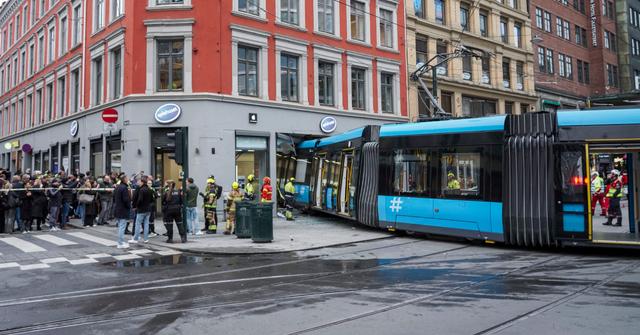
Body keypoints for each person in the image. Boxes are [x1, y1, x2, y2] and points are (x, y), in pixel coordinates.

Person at [131, 175, 154, 244]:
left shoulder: (141, 190)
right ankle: (146, 239)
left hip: (141, 209)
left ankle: (135, 238)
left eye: (140, 181)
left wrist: (136, 206)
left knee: (138, 224)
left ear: (142, 182)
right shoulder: (149, 189)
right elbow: (152, 199)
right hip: (148, 209)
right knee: (146, 224)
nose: (139, 183)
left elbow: (140, 200)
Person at [114, 175, 132, 249]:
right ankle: (120, 243)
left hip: (118, 208)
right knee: (122, 227)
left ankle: (120, 241)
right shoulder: (124, 188)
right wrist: (129, 206)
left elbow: (114, 197)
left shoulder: (118, 187)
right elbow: (126, 199)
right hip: (123, 209)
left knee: (120, 226)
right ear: (124, 180)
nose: (128, 180)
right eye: (127, 179)